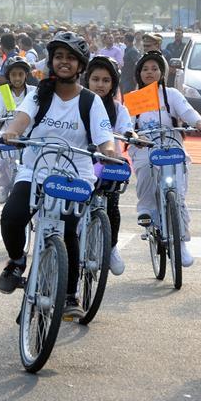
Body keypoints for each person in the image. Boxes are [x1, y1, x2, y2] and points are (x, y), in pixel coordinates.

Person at [0, 32, 116, 318]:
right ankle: (16, 261)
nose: (64, 62)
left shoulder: (90, 101)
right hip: (35, 172)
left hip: (74, 178)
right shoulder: (40, 94)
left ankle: (71, 294)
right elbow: (21, 119)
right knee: (11, 217)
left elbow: (104, 139)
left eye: (70, 58)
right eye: (59, 57)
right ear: (52, 61)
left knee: (68, 229)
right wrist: (11, 132)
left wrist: (110, 152)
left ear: (80, 65)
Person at [130, 50, 201, 268]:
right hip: (145, 146)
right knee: (145, 168)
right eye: (145, 69)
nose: (150, 72)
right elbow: (127, 125)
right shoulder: (135, 97)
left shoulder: (171, 94)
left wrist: (199, 123)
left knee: (179, 195)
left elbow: (187, 111)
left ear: (162, 72)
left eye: (155, 68)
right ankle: (147, 209)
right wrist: (134, 136)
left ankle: (181, 242)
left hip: (171, 146)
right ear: (139, 73)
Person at [83, 56, 132, 276]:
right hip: (82, 164)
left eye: (105, 80)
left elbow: (127, 129)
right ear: (87, 80)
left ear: (113, 84)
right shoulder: (79, 103)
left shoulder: (119, 109)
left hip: (109, 165)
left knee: (112, 206)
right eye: (95, 79)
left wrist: (131, 135)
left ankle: (111, 248)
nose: (100, 84)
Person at [0, 55, 35, 204]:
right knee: (4, 162)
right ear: (9, 77)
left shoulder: (33, 92)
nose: (17, 78)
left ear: (26, 75)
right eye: (13, 75)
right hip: (8, 136)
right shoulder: (4, 93)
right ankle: (5, 187)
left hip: (28, 135)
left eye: (21, 74)